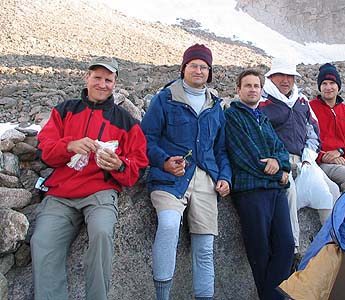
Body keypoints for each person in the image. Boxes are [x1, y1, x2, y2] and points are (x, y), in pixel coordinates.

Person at [30, 56, 149, 300]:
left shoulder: (126, 121)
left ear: (114, 83)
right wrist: (70, 146)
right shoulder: (64, 111)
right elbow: (45, 152)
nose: (102, 84)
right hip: (61, 193)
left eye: (108, 80)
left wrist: (119, 165)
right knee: (42, 241)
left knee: (102, 232)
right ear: (87, 78)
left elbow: (139, 167)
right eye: (97, 78)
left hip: (100, 192)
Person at [141, 44, 231, 300]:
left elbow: (221, 149)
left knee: (204, 247)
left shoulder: (215, 106)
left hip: (205, 179)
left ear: (210, 72)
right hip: (170, 177)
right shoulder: (165, 98)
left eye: (204, 66)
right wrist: (165, 160)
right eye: (193, 65)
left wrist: (224, 176)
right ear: (184, 68)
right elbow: (146, 138)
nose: (199, 70)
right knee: (169, 225)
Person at [225, 69, 294, 300]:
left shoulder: (263, 119)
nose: (253, 89)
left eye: (256, 86)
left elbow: (281, 152)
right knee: (260, 250)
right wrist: (278, 174)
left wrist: (281, 165)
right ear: (238, 89)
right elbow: (246, 157)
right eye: (248, 85)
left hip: (274, 192)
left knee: (285, 245)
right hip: (251, 192)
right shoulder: (232, 117)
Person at [259, 57, 340, 239]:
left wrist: (308, 156)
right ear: (271, 77)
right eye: (281, 75)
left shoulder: (301, 101)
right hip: (280, 160)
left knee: (333, 190)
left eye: (290, 76)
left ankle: (332, 242)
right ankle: (293, 246)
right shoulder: (262, 102)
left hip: (304, 159)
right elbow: (261, 137)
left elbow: (314, 132)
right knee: (290, 191)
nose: (286, 80)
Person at [310, 63, 345, 192]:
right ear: (319, 86)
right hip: (322, 162)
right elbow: (303, 140)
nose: (328, 87)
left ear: (338, 86)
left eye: (332, 83)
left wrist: (341, 152)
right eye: (324, 83)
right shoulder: (310, 108)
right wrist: (322, 156)